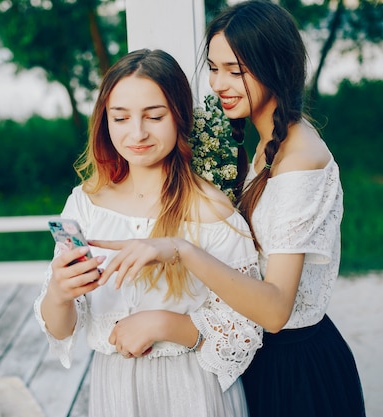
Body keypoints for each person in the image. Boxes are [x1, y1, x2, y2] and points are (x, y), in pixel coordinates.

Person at [90, 2, 367, 417]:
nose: (220, 83)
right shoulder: (267, 144)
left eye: (236, 70)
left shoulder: (300, 161)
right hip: (258, 359)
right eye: (214, 68)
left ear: (275, 66)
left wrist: (179, 249)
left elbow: (275, 310)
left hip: (295, 368)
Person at [33, 48, 263, 417]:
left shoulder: (211, 211)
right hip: (115, 389)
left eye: (154, 116)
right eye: (120, 118)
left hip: (192, 389)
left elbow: (246, 329)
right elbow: (61, 331)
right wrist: (59, 294)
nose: (136, 133)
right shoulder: (85, 205)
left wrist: (165, 324)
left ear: (179, 116)